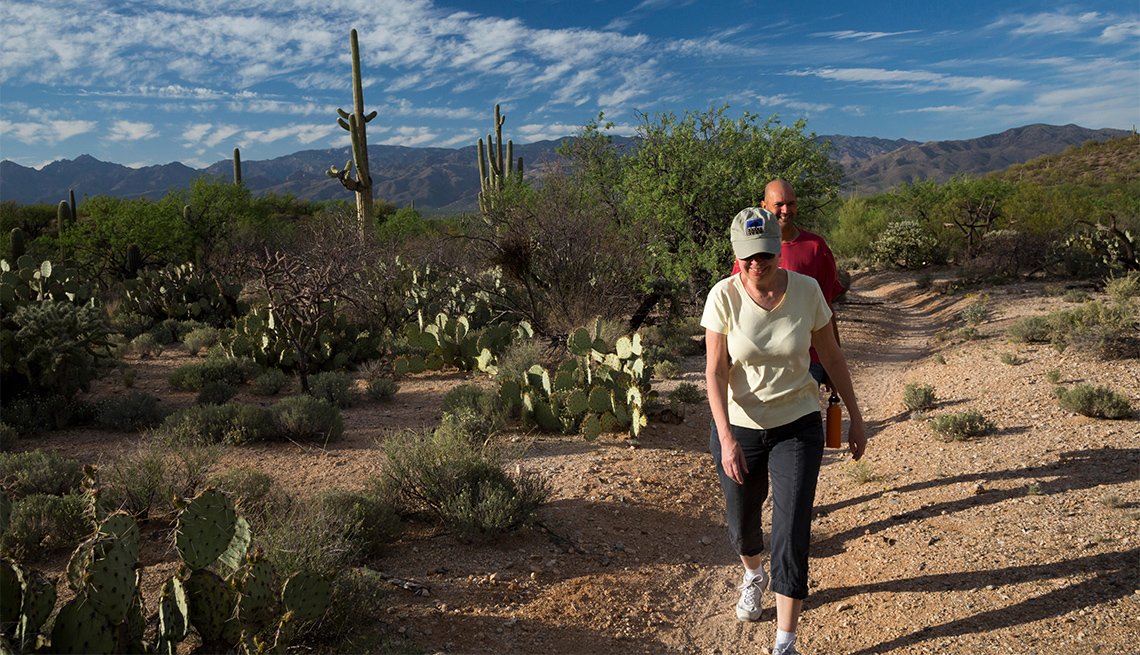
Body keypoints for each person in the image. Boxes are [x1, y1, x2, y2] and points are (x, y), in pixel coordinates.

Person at [703, 206, 867, 655]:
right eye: (749, 256)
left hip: (797, 423)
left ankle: (786, 640)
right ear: (738, 256)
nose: (758, 264)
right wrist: (728, 439)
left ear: (780, 249)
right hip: (739, 426)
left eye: (767, 254)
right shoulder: (723, 296)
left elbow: (831, 357)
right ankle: (753, 574)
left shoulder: (808, 291)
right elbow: (715, 373)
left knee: (792, 526)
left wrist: (855, 415)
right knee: (742, 524)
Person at [730, 179, 844, 386]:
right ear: (764, 206)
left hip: (807, 358)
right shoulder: (749, 253)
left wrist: (834, 364)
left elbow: (826, 308)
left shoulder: (816, 247)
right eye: (779, 204)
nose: (785, 210)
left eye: (791, 204)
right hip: (760, 358)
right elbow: (736, 302)